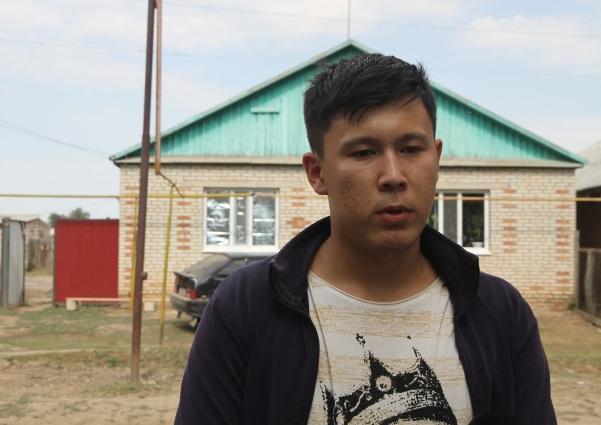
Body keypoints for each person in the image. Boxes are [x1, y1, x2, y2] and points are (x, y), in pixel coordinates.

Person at [174, 53, 556, 424]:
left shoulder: (500, 312)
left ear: (436, 158)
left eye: (411, 149)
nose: (393, 176)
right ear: (317, 172)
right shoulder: (245, 307)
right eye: (363, 152)